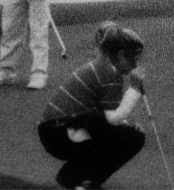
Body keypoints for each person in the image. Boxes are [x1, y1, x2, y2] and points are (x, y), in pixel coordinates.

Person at [38, 22, 146, 190]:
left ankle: (78, 179)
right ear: (121, 55)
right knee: (133, 138)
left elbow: (103, 113)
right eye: (134, 59)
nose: (136, 65)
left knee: (126, 134)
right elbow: (113, 119)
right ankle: (77, 179)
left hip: (54, 130)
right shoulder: (111, 75)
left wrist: (126, 127)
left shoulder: (103, 67)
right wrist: (134, 90)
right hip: (61, 132)